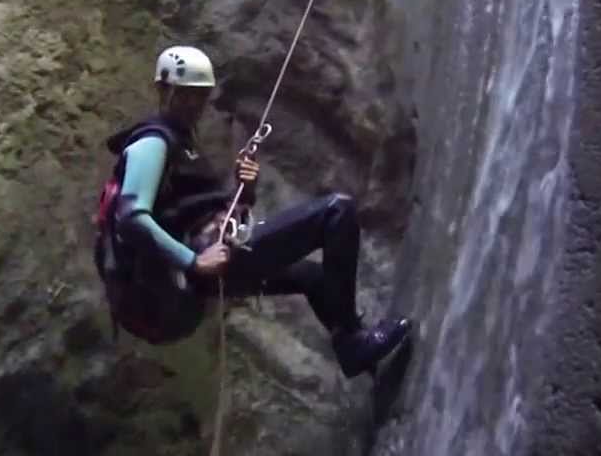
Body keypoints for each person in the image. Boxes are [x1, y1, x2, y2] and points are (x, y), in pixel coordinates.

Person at [96, 45, 410, 378]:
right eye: (184, 93)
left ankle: (355, 350)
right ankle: (354, 345)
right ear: (163, 89)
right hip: (199, 266)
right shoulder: (152, 142)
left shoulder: (181, 143)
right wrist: (194, 261)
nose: (193, 103)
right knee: (337, 213)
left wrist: (245, 190)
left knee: (315, 279)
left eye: (199, 95)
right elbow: (131, 218)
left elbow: (190, 213)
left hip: (203, 266)